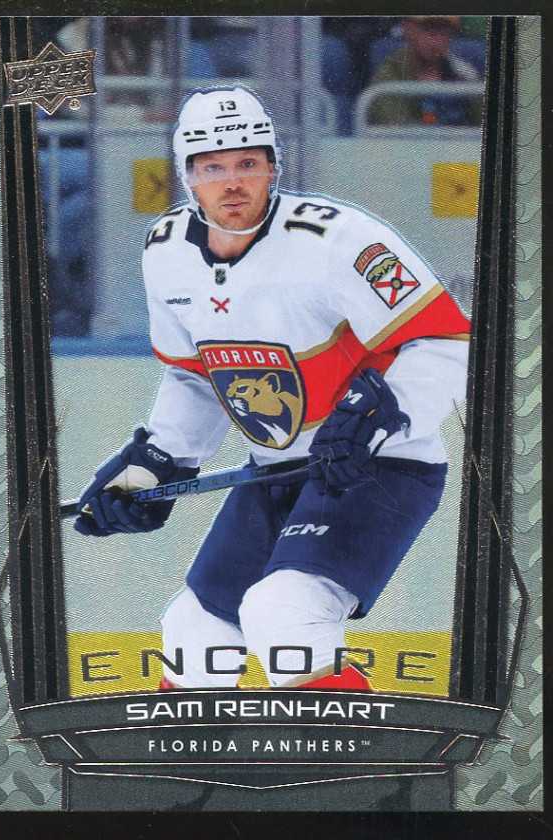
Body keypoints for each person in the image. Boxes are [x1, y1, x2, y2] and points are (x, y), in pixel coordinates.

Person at [74, 86, 470, 691]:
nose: (232, 182)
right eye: (212, 167)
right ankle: (185, 757)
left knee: (283, 614)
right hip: (275, 472)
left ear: (273, 167)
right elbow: (194, 375)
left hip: (376, 468)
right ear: (186, 175)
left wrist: (382, 416)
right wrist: (154, 461)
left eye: (247, 163)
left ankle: (356, 753)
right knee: (193, 636)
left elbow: (447, 339)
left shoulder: (337, 240)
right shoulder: (164, 251)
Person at [367, 16, 483, 126]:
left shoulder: (464, 73)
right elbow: (397, 131)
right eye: (426, 28)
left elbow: (482, 125)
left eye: (442, 30)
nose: (434, 38)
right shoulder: (388, 76)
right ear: (407, 28)